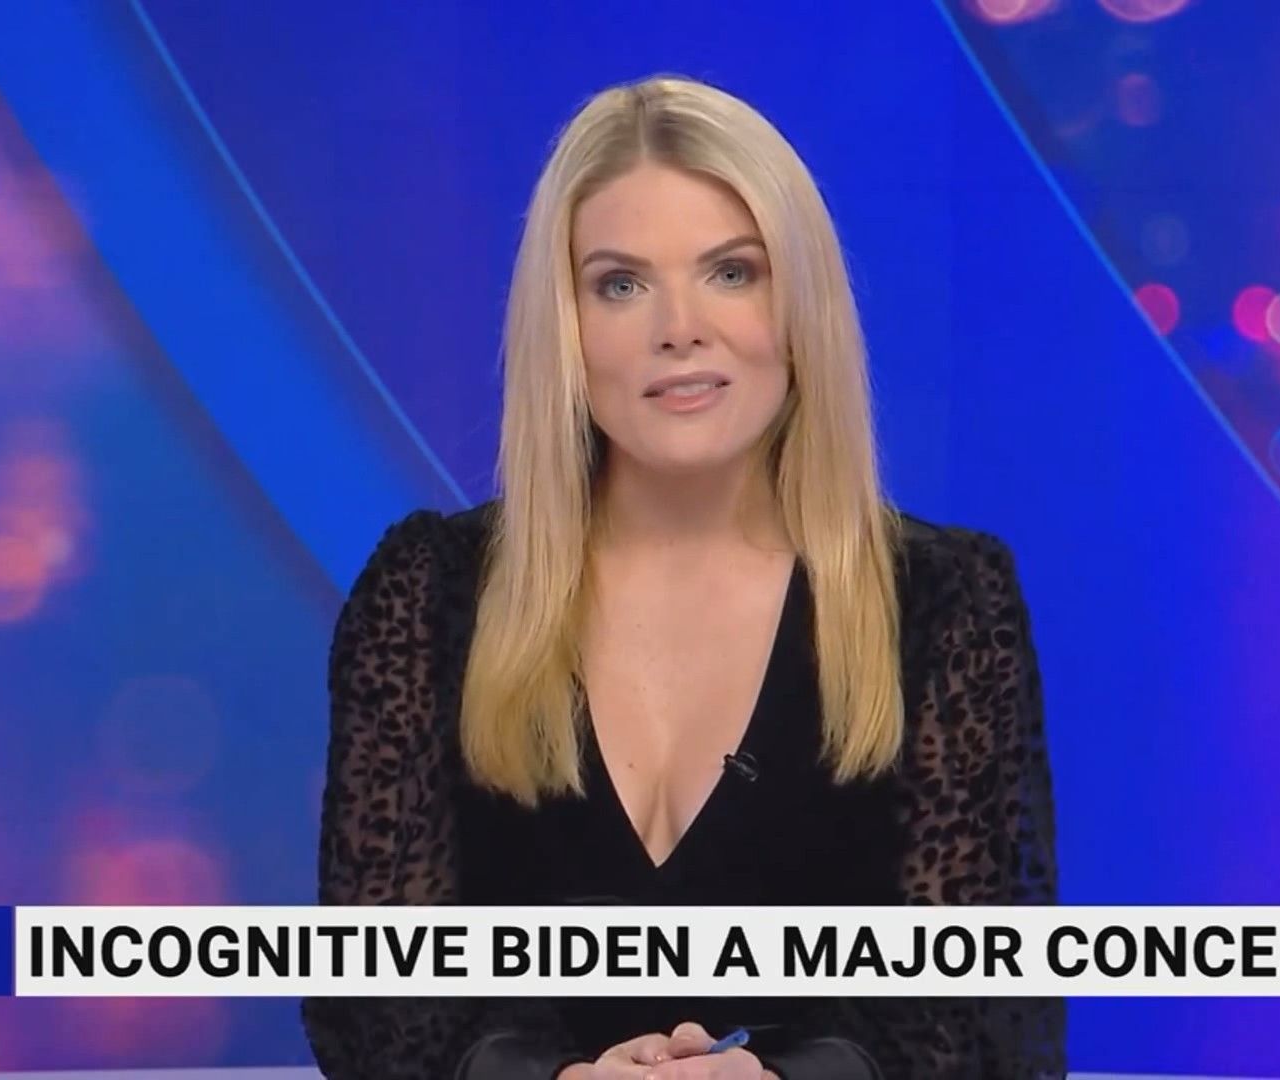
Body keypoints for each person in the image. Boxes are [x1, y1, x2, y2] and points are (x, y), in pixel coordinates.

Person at [302, 74, 1063, 1080]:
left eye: (732, 272)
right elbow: (369, 1002)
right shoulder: (427, 596)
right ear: (565, 324)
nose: (679, 327)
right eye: (620, 284)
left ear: (800, 305)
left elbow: (989, 1022)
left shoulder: (946, 602)